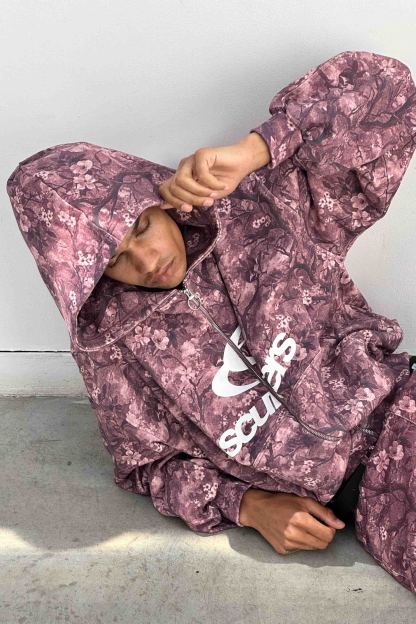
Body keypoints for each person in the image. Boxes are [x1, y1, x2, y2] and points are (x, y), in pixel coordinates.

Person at [6, 49, 416, 591]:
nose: (147, 261)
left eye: (140, 228)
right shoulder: (111, 349)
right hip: (370, 498)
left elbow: (389, 90)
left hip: (401, 401)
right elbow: (147, 466)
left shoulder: (257, 213)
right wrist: (248, 504)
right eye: (114, 261)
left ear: (155, 202)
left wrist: (256, 150)